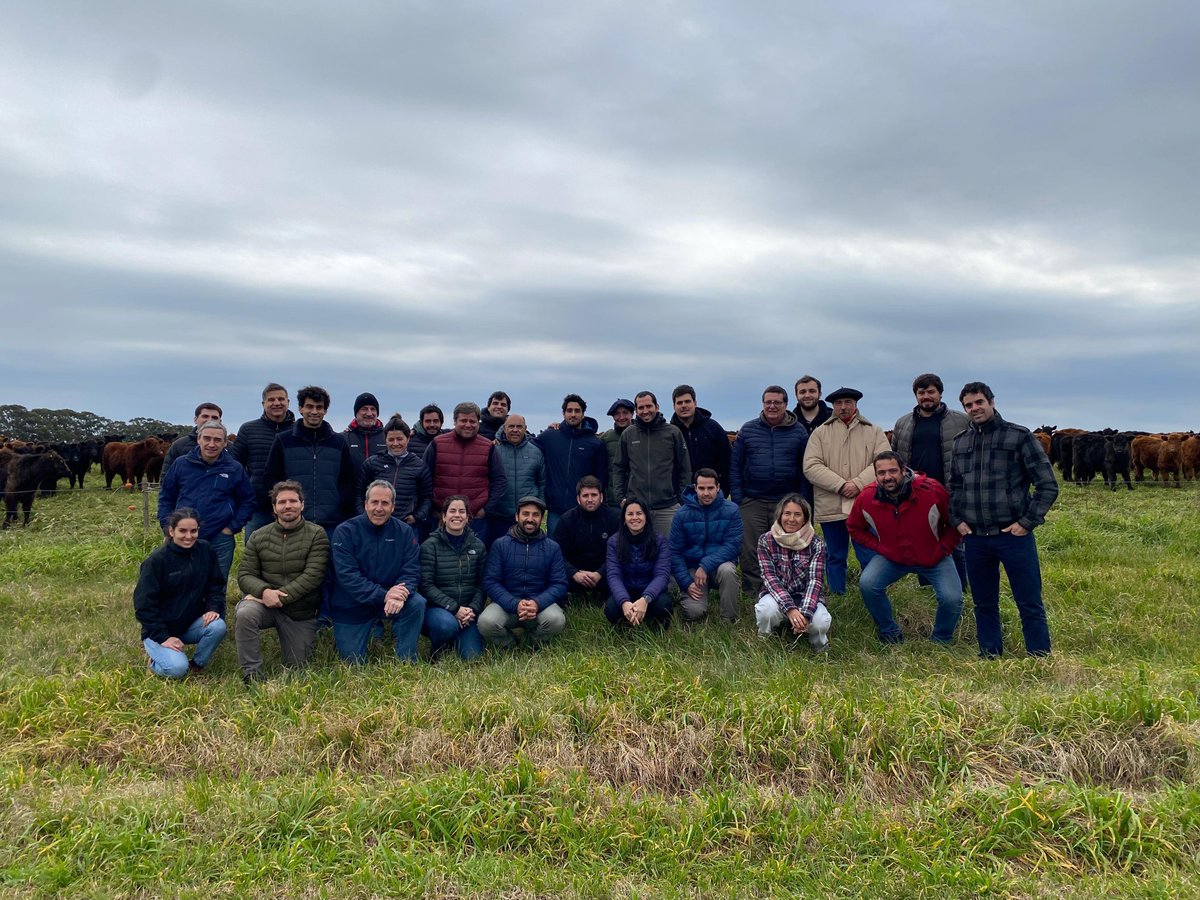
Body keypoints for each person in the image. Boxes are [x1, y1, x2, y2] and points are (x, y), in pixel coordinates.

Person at [949, 382, 1059, 658]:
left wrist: (1027, 522)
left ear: (991, 402)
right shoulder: (961, 442)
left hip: (1012, 536)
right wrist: (956, 519)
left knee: (1028, 600)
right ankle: (989, 653)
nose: (974, 409)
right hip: (975, 538)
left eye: (979, 402)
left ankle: (1039, 655)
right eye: (969, 405)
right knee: (983, 603)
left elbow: (1047, 484)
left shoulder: (1018, 437)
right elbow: (954, 486)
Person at [847, 452, 962, 644]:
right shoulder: (867, 497)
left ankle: (941, 639)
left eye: (893, 471)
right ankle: (889, 632)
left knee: (952, 599)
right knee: (868, 584)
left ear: (904, 470)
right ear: (875, 475)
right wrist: (880, 546)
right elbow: (854, 527)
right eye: (881, 472)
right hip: (893, 558)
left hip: (934, 556)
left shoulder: (931, 490)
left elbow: (955, 523)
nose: (887, 477)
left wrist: (943, 549)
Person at [234, 480, 330, 683]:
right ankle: (251, 673)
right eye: (282, 502)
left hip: (299, 611)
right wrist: (264, 591)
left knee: (297, 668)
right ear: (274, 508)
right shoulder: (259, 536)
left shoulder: (317, 534)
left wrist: (278, 597)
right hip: (265, 606)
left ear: (302, 505)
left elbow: (313, 575)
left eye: (293, 501)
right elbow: (245, 574)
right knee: (245, 613)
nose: (288, 506)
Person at [802, 386, 891, 595]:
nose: (843, 407)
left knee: (868, 552)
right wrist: (841, 485)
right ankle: (837, 594)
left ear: (855, 404)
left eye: (847, 403)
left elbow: (884, 462)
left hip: (866, 504)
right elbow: (811, 466)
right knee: (835, 554)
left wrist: (858, 484)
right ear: (833, 406)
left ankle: (872, 592)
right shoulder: (820, 433)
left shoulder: (874, 431)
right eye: (839, 403)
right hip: (831, 503)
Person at [329, 481, 427, 663]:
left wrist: (399, 594)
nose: (379, 508)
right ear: (365, 504)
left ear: (393, 507)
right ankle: (349, 637)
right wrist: (385, 594)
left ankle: (405, 660)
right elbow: (348, 576)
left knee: (416, 603)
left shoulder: (405, 532)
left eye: (385, 503)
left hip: (391, 601)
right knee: (352, 664)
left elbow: (411, 570)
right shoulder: (345, 532)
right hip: (352, 605)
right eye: (374, 502)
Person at [891, 373, 971, 588]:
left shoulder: (961, 420)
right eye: (921, 392)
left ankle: (960, 587)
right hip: (916, 493)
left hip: (950, 490)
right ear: (916, 396)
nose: (926, 396)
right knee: (923, 540)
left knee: (955, 541)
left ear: (940, 393)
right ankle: (928, 587)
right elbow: (896, 455)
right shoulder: (903, 423)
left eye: (931, 392)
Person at [729, 385, 810, 596]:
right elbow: (735, 466)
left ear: (786, 405)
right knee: (750, 548)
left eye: (777, 402)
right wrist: (739, 498)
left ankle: (787, 589)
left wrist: (801, 500)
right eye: (768, 402)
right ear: (763, 404)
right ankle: (753, 590)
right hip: (752, 500)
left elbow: (805, 468)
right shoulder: (748, 430)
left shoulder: (799, 431)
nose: (772, 406)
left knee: (787, 546)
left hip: (786, 501)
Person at [134, 507, 228, 678]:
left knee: (218, 625)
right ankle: (156, 662)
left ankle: (197, 664)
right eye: (182, 531)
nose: (188, 536)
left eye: (193, 531)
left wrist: (213, 608)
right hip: (158, 631)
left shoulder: (206, 550)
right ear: (171, 531)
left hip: (189, 624)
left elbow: (215, 585)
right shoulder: (156, 561)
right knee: (176, 670)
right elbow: (143, 606)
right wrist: (164, 637)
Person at [156, 420, 254, 581]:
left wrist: (231, 528)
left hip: (220, 537)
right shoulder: (181, 464)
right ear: (198, 439)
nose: (211, 444)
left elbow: (247, 500)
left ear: (224, 444)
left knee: (216, 584)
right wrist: (168, 527)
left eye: (217, 440)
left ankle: (214, 608)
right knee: (180, 585)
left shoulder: (234, 468)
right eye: (207, 438)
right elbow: (166, 497)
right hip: (183, 535)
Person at [263, 385, 357, 536]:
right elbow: (271, 477)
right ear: (301, 409)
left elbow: (347, 479)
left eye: (319, 407)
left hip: (332, 522)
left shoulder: (339, 442)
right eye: (309, 406)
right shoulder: (283, 440)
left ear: (325, 411)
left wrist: (341, 504)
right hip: (294, 521)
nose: (314, 412)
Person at [479, 496, 568, 649]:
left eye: (535, 515)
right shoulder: (500, 545)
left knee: (556, 620)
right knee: (485, 622)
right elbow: (490, 582)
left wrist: (537, 602)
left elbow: (559, 584)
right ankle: (509, 643)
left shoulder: (552, 547)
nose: (530, 519)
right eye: (525, 514)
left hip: (539, 607)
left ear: (542, 519)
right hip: (507, 606)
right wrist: (515, 604)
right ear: (517, 516)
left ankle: (532, 641)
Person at [754, 495, 830, 651]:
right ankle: (765, 642)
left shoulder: (816, 543)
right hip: (775, 594)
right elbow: (770, 578)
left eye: (797, 514)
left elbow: (815, 581)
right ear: (780, 516)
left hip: (805, 595)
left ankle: (820, 650)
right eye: (787, 513)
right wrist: (790, 609)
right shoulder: (765, 540)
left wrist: (806, 614)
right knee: (765, 612)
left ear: (805, 519)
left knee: (821, 622)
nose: (791, 519)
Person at [423, 401, 506, 543]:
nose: (468, 425)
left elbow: (499, 481)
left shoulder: (488, 447)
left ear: (478, 422)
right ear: (455, 421)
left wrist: (485, 510)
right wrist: (433, 508)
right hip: (442, 517)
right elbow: (424, 478)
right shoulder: (437, 443)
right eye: (463, 420)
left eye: (472, 421)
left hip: (475, 519)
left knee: (474, 561)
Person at [668, 468, 743, 622]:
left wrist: (705, 565)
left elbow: (733, 545)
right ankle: (693, 598)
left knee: (728, 570)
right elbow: (674, 552)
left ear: (718, 487)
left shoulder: (732, 510)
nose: (706, 493)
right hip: (693, 570)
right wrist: (686, 582)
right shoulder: (682, 514)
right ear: (695, 488)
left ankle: (728, 618)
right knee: (694, 613)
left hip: (719, 567)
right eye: (701, 488)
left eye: (710, 488)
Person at [613, 390, 691, 536]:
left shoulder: (673, 433)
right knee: (638, 554)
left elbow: (684, 468)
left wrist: (681, 499)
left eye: (649, 406)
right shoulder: (628, 434)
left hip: (667, 508)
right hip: (637, 509)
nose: (645, 411)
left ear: (657, 407)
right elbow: (619, 468)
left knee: (669, 554)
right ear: (636, 410)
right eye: (641, 408)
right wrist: (621, 498)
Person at [419, 496, 486, 661]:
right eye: (452, 511)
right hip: (439, 610)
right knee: (445, 626)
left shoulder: (478, 546)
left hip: (468, 612)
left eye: (462, 511)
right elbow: (425, 585)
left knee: (472, 657)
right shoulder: (429, 546)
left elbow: (482, 584)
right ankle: (439, 648)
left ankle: (458, 639)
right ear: (443, 516)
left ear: (468, 517)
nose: (457, 515)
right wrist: (455, 609)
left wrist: (472, 610)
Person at [229, 383, 294, 539]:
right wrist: (246, 493)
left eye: (281, 399)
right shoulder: (248, 430)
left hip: (293, 505)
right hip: (259, 506)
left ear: (288, 402)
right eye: (271, 399)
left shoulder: (299, 430)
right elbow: (235, 466)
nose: (277, 403)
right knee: (255, 553)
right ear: (263, 404)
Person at [536, 394, 608, 534]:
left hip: (583, 509)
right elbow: (524, 445)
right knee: (555, 549)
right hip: (555, 509)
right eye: (569, 410)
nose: (573, 414)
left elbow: (601, 477)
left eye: (577, 411)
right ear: (563, 413)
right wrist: (499, 438)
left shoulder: (595, 443)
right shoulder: (549, 437)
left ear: (583, 414)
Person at [604, 498, 673, 630]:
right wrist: (624, 601)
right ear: (624, 519)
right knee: (611, 609)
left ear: (646, 517)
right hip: (626, 591)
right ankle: (627, 624)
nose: (634, 518)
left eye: (639, 513)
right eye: (630, 514)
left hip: (652, 593)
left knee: (664, 606)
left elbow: (662, 575)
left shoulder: (660, 540)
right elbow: (614, 575)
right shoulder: (614, 542)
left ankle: (654, 626)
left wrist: (646, 598)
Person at [552, 475, 620, 604]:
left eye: (594, 495)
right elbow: (557, 553)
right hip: (575, 575)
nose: (590, 499)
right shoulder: (567, 519)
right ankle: (573, 596)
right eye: (585, 495)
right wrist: (574, 573)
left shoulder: (614, 518)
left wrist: (600, 573)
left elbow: (619, 552)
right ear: (578, 499)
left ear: (601, 497)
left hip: (605, 574)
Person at [355, 415, 432, 527]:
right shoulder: (372, 463)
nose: (395, 443)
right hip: (373, 524)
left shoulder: (419, 466)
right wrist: (364, 514)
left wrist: (417, 517)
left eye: (399, 439)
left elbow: (427, 497)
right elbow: (359, 493)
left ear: (408, 438)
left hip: (405, 526)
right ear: (385, 440)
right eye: (391, 439)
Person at [488, 414, 545, 546]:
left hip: (527, 518)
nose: (515, 430)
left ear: (525, 429)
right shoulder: (494, 450)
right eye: (511, 426)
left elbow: (542, 482)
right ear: (504, 428)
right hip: (499, 516)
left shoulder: (536, 452)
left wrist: (540, 506)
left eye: (519, 426)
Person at [670, 385, 731, 494]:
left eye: (687, 401)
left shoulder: (713, 428)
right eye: (679, 403)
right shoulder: (670, 432)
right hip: (682, 495)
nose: (684, 406)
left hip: (711, 493)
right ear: (674, 406)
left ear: (695, 403)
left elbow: (726, 461)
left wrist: (724, 491)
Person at [162, 402, 223, 474]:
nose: (209, 420)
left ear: (220, 421)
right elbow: (167, 475)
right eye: (205, 416)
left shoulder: (229, 447)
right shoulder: (179, 445)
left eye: (214, 417)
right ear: (195, 420)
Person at [600, 399, 634, 508]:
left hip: (638, 498)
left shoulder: (642, 435)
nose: (621, 417)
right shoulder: (606, 438)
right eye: (617, 414)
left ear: (632, 414)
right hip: (613, 500)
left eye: (625, 413)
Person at [343, 391, 385, 476]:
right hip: (352, 489)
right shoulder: (344, 438)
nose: (369, 413)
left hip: (381, 488)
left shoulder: (388, 437)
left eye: (373, 409)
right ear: (356, 413)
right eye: (364, 409)